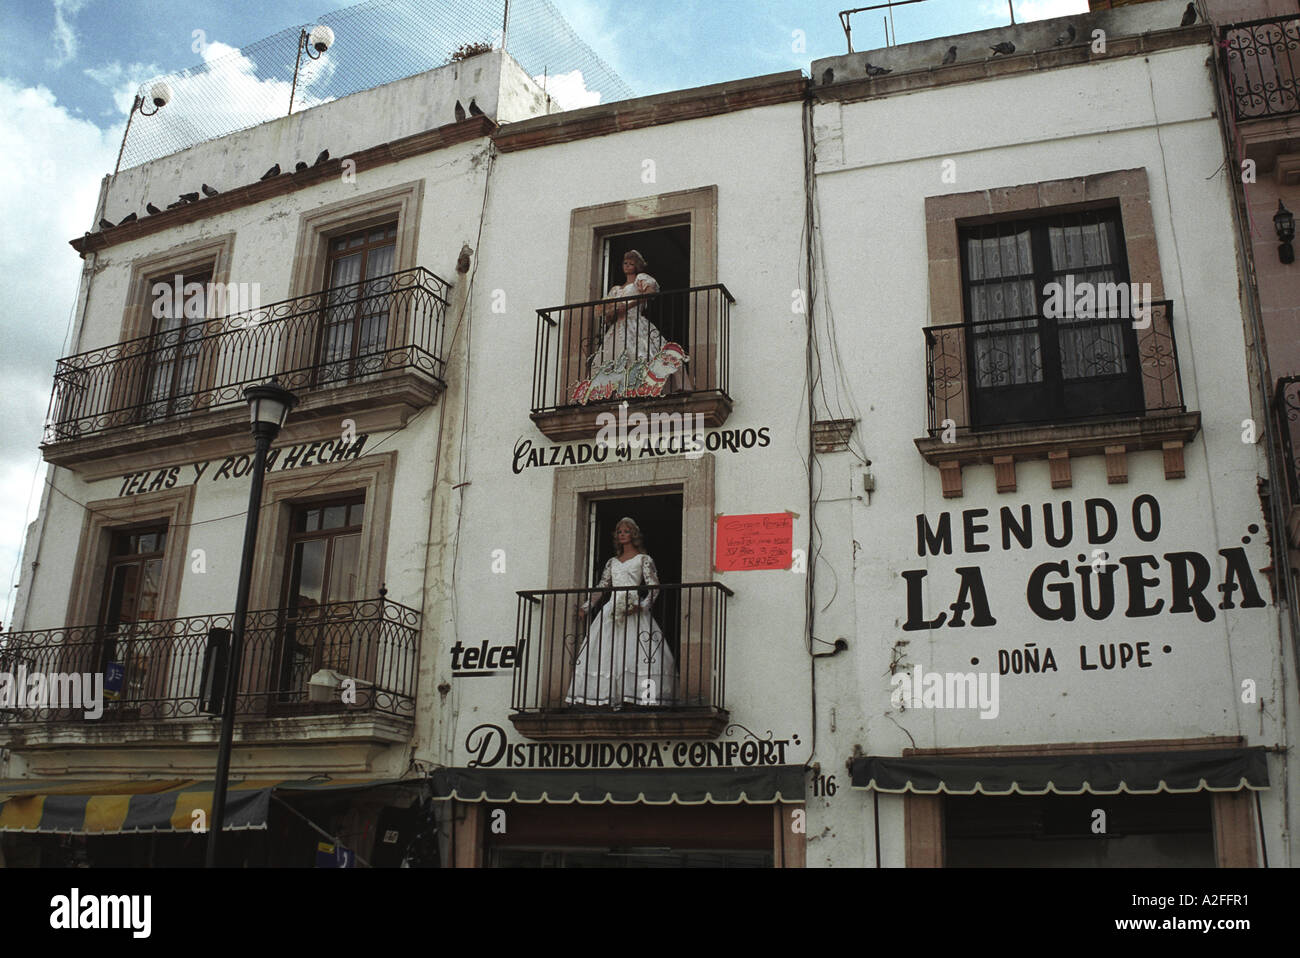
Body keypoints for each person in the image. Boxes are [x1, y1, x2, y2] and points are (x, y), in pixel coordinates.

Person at [568, 517, 676, 707]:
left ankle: (636, 697)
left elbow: (654, 586)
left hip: (633, 609)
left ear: (633, 534)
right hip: (611, 609)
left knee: (636, 652)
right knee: (608, 652)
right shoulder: (612, 562)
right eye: (619, 532)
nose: (622, 534)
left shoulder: (644, 559)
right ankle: (608, 696)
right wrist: (586, 607)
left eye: (626, 531)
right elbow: (603, 586)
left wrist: (641, 606)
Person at [589, 250, 665, 371]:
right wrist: (610, 312)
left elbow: (650, 292)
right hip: (617, 326)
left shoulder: (640, 279)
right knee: (610, 358)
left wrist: (629, 305)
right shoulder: (615, 290)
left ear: (637, 266)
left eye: (631, 263)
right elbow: (609, 315)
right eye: (625, 263)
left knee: (638, 354)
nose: (627, 265)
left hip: (634, 322)